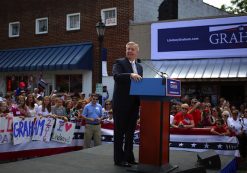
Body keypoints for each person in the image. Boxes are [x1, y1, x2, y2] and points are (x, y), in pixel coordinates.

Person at [112, 41, 143, 167]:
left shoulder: (140, 67)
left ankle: (129, 157)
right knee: (119, 133)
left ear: (136, 52)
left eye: (132, 49)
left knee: (130, 133)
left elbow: (140, 85)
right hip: (121, 104)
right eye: (128, 49)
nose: (129, 51)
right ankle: (119, 159)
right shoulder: (119, 63)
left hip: (134, 104)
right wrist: (130, 74)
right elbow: (116, 76)